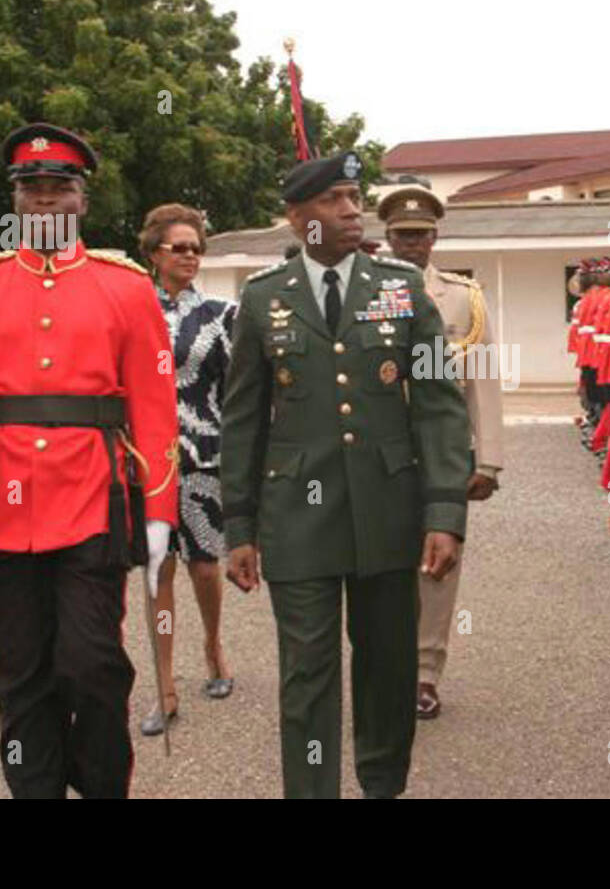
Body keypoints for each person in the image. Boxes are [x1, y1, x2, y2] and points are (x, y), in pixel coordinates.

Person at [0, 122, 178, 798]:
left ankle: (100, 787)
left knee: (92, 663)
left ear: (81, 201)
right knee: (17, 671)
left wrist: (159, 514)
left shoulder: (125, 287)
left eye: (58, 187)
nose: (43, 200)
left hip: (92, 495)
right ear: (14, 203)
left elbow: (153, 410)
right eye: (30, 189)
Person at [220, 151, 471, 799]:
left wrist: (445, 510)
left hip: (389, 508)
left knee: (388, 667)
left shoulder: (400, 286)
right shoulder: (261, 299)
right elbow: (243, 420)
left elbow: (440, 405)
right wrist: (239, 526)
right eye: (333, 200)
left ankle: (382, 785)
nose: (351, 210)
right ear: (297, 217)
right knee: (307, 671)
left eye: (355, 196)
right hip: (295, 519)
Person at [378, 185, 504, 720]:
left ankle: (425, 673)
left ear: (436, 236)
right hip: (379, 450)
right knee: (382, 562)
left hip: (443, 451)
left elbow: (483, 380)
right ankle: (385, 668)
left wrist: (488, 458)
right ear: (387, 237)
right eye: (402, 235)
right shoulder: (367, 290)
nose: (412, 245)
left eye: (421, 234)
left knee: (438, 563)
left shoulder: (462, 297)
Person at [136, 202, 237, 736]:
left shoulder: (223, 315)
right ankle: (166, 684)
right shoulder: (130, 311)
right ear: (154, 253)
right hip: (147, 463)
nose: (191, 256)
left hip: (205, 460)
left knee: (203, 566)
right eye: (180, 247)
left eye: (197, 247)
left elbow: (239, 393)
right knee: (158, 571)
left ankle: (214, 644)